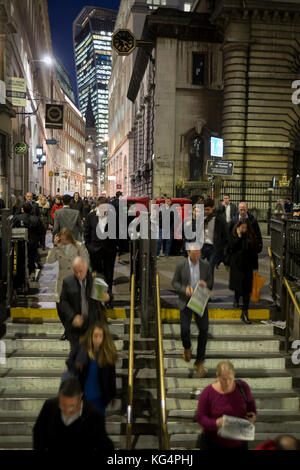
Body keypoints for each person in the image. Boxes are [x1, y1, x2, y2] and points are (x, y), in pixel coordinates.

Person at [33, 377, 114, 452]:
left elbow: (103, 444)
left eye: (72, 406)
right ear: (58, 395)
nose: (67, 411)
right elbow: (38, 432)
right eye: (63, 405)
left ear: (80, 397)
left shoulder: (95, 415)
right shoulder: (49, 406)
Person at [172, 244, 213, 377]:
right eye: (194, 253)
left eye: (199, 253)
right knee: (185, 329)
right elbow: (174, 282)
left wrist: (206, 284)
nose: (197, 256)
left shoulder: (205, 265)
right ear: (188, 252)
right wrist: (184, 289)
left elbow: (210, 281)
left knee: (204, 329)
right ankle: (187, 347)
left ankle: (200, 361)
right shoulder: (181, 265)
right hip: (186, 300)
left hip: (200, 300)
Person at [197, 360, 257, 450]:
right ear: (218, 376)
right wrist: (216, 423)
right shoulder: (208, 392)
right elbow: (201, 417)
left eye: (230, 379)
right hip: (214, 444)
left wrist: (253, 416)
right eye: (224, 379)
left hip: (240, 442)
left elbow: (251, 406)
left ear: (234, 376)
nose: (228, 383)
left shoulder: (243, 387)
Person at [46, 228, 90, 340]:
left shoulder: (79, 246)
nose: (63, 241)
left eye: (65, 239)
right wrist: (54, 246)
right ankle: (67, 328)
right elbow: (49, 260)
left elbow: (86, 261)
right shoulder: (58, 248)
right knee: (60, 307)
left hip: (75, 280)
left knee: (74, 307)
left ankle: (71, 331)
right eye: (62, 239)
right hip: (61, 281)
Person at [65, 322, 117, 415]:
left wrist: (112, 395)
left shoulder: (107, 354)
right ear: (91, 336)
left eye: (100, 336)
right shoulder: (82, 349)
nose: (98, 339)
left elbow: (111, 376)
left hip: (100, 397)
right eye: (95, 336)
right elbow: (69, 362)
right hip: (83, 396)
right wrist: (76, 366)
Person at [59, 257, 109, 352]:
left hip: (93, 325)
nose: (79, 274)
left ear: (86, 268)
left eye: (81, 271)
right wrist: (73, 316)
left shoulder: (96, 279)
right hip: (76, 327)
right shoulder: (68, 282)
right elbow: (63, 302)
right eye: (76, 272)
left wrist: (106, 297)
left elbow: (107, 297)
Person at [84, 197, 117, 305]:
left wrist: (116, 247)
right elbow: (86, 233)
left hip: (109, 250)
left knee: (109, 274)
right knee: (97, 274)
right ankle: (98, 298)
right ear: (97, 206)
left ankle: (108, 298)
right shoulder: (91, 216)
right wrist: (89, 247)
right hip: (95, 250)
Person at [228, 220, 259, 324]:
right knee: (238, 286)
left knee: (247, 290)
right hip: (237, 266)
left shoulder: (250, 237)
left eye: (246, 228)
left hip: (248, 266)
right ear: (238, 227)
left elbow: (254, 252)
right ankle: (236, 299)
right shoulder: (234, 236)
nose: (244, 230)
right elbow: (232, 247)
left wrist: (255, 267)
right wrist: (239, 236)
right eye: (242, 228)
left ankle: (245, 312)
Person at [201, 198, 229, 287]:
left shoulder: (219, 219)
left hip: (213, 248)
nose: (206, 211)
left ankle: (206, 295)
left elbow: (225, 235)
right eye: (204, 209)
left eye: (208, 209)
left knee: (209, 272)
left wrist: (223, 251)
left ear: (213, 208)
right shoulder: (199, 216)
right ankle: (196, 294)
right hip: (201, 247)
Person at [12, 203, 44, 277]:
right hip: (33, 242)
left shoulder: (17, 218)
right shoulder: (36, 219)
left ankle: (22, 275)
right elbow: (42, 231)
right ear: (31, 210)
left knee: (20, 259)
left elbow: (12, 228)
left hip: (20, 242)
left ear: (22, 209)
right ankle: (31, 272)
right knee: (31, 258)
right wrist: (39, 241)